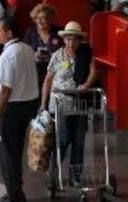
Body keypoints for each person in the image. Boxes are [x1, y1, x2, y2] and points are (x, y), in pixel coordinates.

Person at [39, 21, 98, 185]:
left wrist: (86, 85)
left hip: (79, 105)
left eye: (74, 39)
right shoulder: (57, 56)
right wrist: (43, 104)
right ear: (64, 40)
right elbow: (48, 80)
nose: (71, 43)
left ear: (79, 40)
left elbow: (94, 71)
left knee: (79, 141)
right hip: (60, 105)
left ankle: (75, 176)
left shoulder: (85, 54)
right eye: (68, 39)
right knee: (63, 139)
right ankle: (53, 174)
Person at [0, 17, 39, 202]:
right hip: (28, 103)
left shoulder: (7, 55)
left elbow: (5, 90)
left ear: (9, 33)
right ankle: (16, 189)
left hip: (11, 108)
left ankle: (14, 193)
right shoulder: (26, 49)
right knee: (16, 149)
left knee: (7, 152)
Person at [22, 3, 63, 87]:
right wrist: (33, 55)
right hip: (35, 68)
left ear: (51, 19)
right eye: (38, 18)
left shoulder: (59, 32)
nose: (40, 21)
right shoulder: (31, 32)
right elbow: (23, 51)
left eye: (45, 18)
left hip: (55, 68)